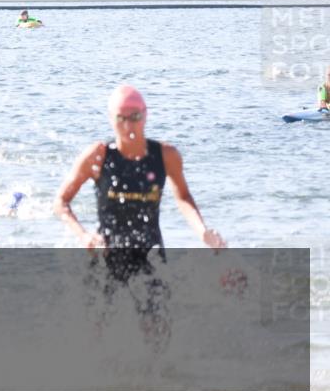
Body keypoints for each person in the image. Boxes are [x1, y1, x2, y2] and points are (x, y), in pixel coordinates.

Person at [53, 85, 225, 347]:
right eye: (121, 118)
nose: (129, 125)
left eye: (135, 116)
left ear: (146, 115)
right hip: (107, 253)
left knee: (158, 334)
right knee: (95, 333)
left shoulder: (166, 155)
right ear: (111, 119)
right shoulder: (98, 156)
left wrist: (202, 231)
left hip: (149, 253)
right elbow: (61, 202)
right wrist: (84, 236)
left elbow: (184, 197)